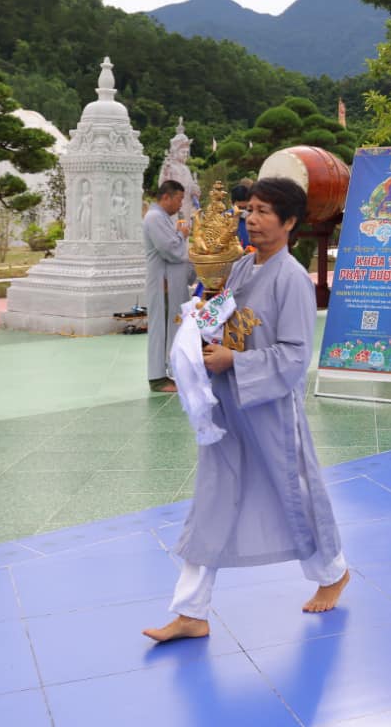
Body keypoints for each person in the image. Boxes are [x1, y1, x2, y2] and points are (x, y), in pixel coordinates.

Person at [144, 177, 349, 642]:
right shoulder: (238, 268)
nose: (251, 220)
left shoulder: (292, 280)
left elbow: (295, 357)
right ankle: (191, 611)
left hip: (271, 411)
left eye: (263, 212)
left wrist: (235, 361)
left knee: (295, 493)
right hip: (227, 408)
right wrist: (196, 328)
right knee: (212, 498)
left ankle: (333, 571)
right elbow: (219, 315)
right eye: (249, 210)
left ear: (289, 222)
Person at [143, 180, 193, 394]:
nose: (180, 204)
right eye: (179, 199)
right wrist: (181, 234)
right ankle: (157, 378)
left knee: (170, 328)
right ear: (166, 197)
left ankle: (169, 372)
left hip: (169, 282)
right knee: (161, 329)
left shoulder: (161, 217)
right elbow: (169, 249)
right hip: (162, 283)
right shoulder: (154, 217)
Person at [230, 180, 254, 251]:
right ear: (232, 203)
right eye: (239, 208)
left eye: (245, 208)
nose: (242, 211)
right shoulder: (225, 218)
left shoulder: (255, 219)